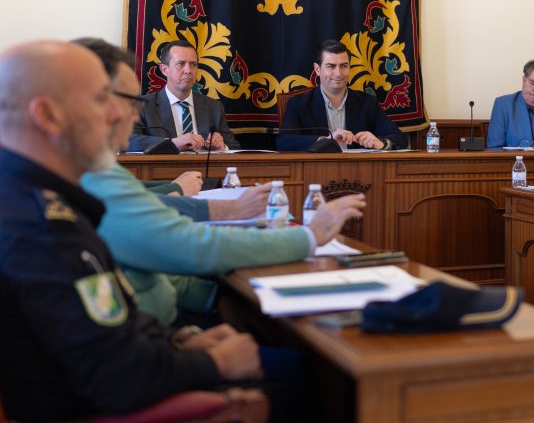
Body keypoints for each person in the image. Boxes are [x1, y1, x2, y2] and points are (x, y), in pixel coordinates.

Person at [0, 40, 261, 420]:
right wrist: (214, 363)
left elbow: (108, 326)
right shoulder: (40, 225)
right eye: (101, 98)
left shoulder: (43, 197)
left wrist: (178, 340)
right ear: (48, 115)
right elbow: (117, 378)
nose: (116, 116)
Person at [74, 38, 367, 325]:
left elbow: (141, 199)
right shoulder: (82, 179)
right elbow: (193, 246)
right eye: (128, 100)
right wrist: (309, 236)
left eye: (193, 64)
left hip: (165, 325)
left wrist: (223, 205)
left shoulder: (94, 172)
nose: (133, 112)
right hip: (151, 343)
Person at [277, 40, 408, 151]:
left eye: (344, 66)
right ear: (317, 69)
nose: (338, 73)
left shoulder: (367, 102)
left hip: (359, 174)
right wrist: (327, 141)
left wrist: (381, 143)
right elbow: (284, 141)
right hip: (315, 172)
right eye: (331, 66)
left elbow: (399, 138)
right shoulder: (299, 103)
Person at [128, 40, 240, 151]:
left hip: (204, 168)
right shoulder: (143, 105)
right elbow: (129, 142)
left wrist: (222, 147)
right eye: (181, 64)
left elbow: (235, 148)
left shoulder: (214, 107)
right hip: (165, 168)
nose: (188, 70)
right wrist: (173, 143)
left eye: (193, 64)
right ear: (164, 70)